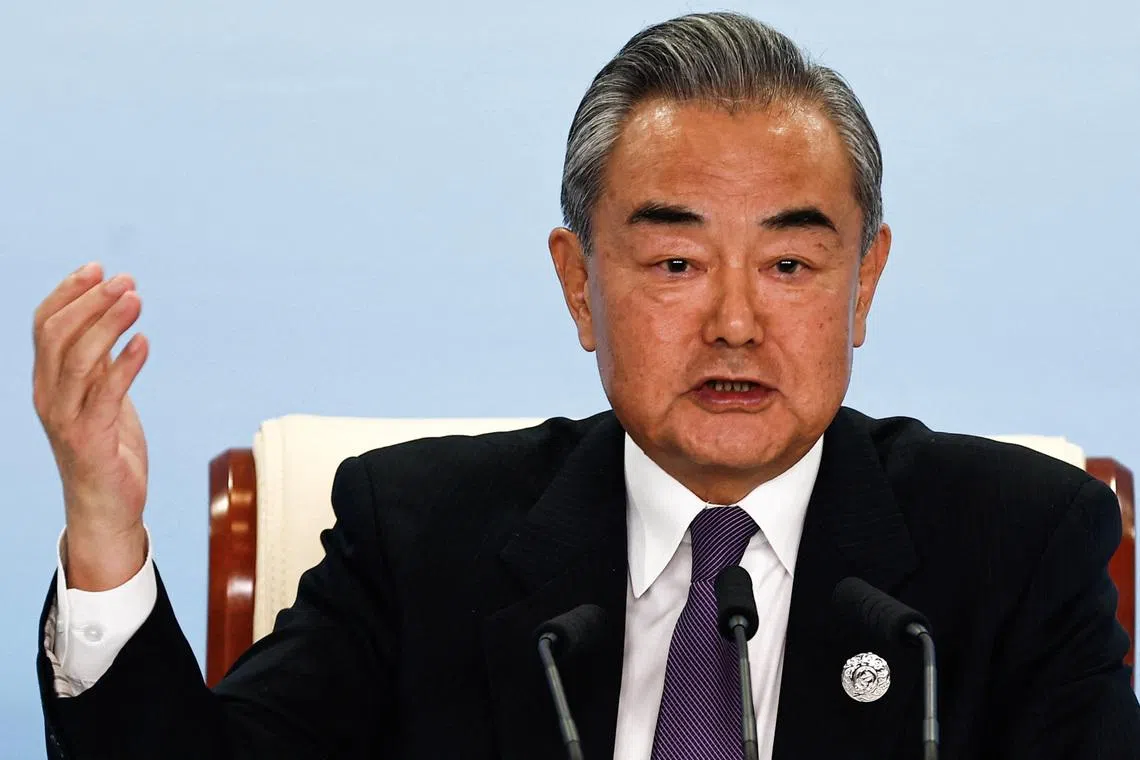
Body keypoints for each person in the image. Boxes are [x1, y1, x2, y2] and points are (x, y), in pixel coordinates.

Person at [31, 11, 1140, 760]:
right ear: (578, 285)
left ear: (864, 283)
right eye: (674, 263)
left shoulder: (1019, 542)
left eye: (791, 264)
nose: (737, 322)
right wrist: (102, 527)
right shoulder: (420, 537)